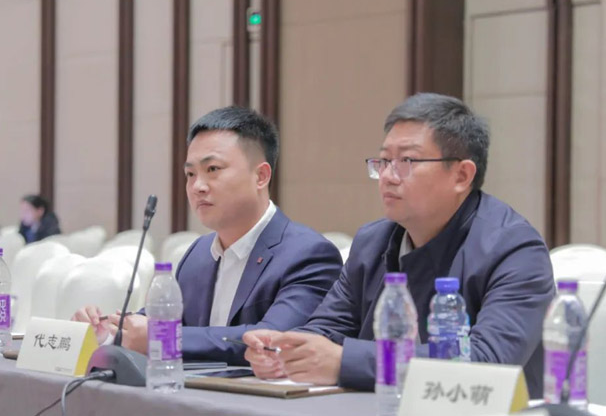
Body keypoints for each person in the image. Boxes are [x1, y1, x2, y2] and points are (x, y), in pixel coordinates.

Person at [243, 93, 555, 398]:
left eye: (407, 161)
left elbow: (486, 362)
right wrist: (285, 349)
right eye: (384, 161)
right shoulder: (373, 241)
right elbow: (329, 327)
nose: (387, 177)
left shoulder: (514, 249)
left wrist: (343, 362)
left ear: (461, 175)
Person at [72, 106, 342, 365]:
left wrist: (165, 338)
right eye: (190, 174)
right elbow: (158, 323)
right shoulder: (198, 253)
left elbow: (272, 339)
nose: (197, 186)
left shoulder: (309, 255)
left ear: (260, 176)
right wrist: (109, 332)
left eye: (213, 169)